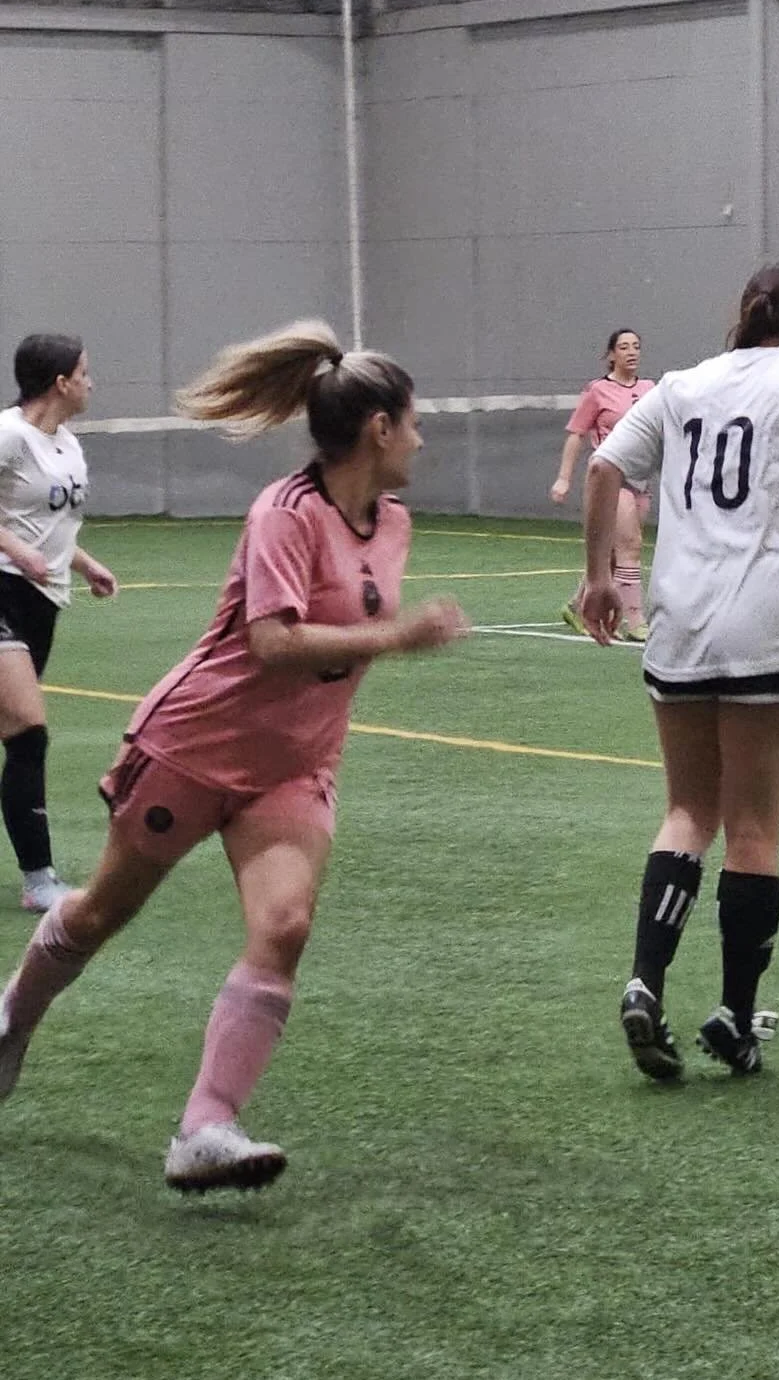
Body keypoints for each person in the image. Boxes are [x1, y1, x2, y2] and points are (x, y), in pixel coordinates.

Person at [0, 322, 469, 1191]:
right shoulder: (283, 513)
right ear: (377, 428)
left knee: (283, 926)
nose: (420, 438)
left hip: (295, 763)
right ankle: (11, 1021)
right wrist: (397, 637)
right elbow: (270, 643)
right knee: (101, 912)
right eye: (414, 421)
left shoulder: (392, 522)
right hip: (196, 746)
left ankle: (204, 1128)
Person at [579, 265, 779, 1079]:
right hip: (773, 630)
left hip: (681, 622)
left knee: (686, 810)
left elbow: (603, 469)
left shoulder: (682, 384)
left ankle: (646, 980)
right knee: (755, 827)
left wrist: (597, 579)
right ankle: (735, 1016)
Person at [0, 334, 117, 912]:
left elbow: (54, 526)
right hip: (1, 588)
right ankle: (39, 880)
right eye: (85, 372)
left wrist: (86, 562)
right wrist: (15, 552)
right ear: (60, 382)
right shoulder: (9, 434)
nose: (92, 382)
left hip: (42, 602)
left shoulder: (67, 444)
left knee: (16, 734)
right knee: (28, 728)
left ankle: (36, 876)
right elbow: (18, 533)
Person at [550, 329, 652, 641]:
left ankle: (576, 605)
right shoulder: (597, 391)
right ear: (611, 355)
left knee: (609, 552)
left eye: (635, 346)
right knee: (630, 545)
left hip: (641, 478)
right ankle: (635, 619)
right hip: (612, 478)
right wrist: (564, 478)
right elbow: (576, 433)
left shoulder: (651, 389)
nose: (631, 352)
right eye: (623, 347)